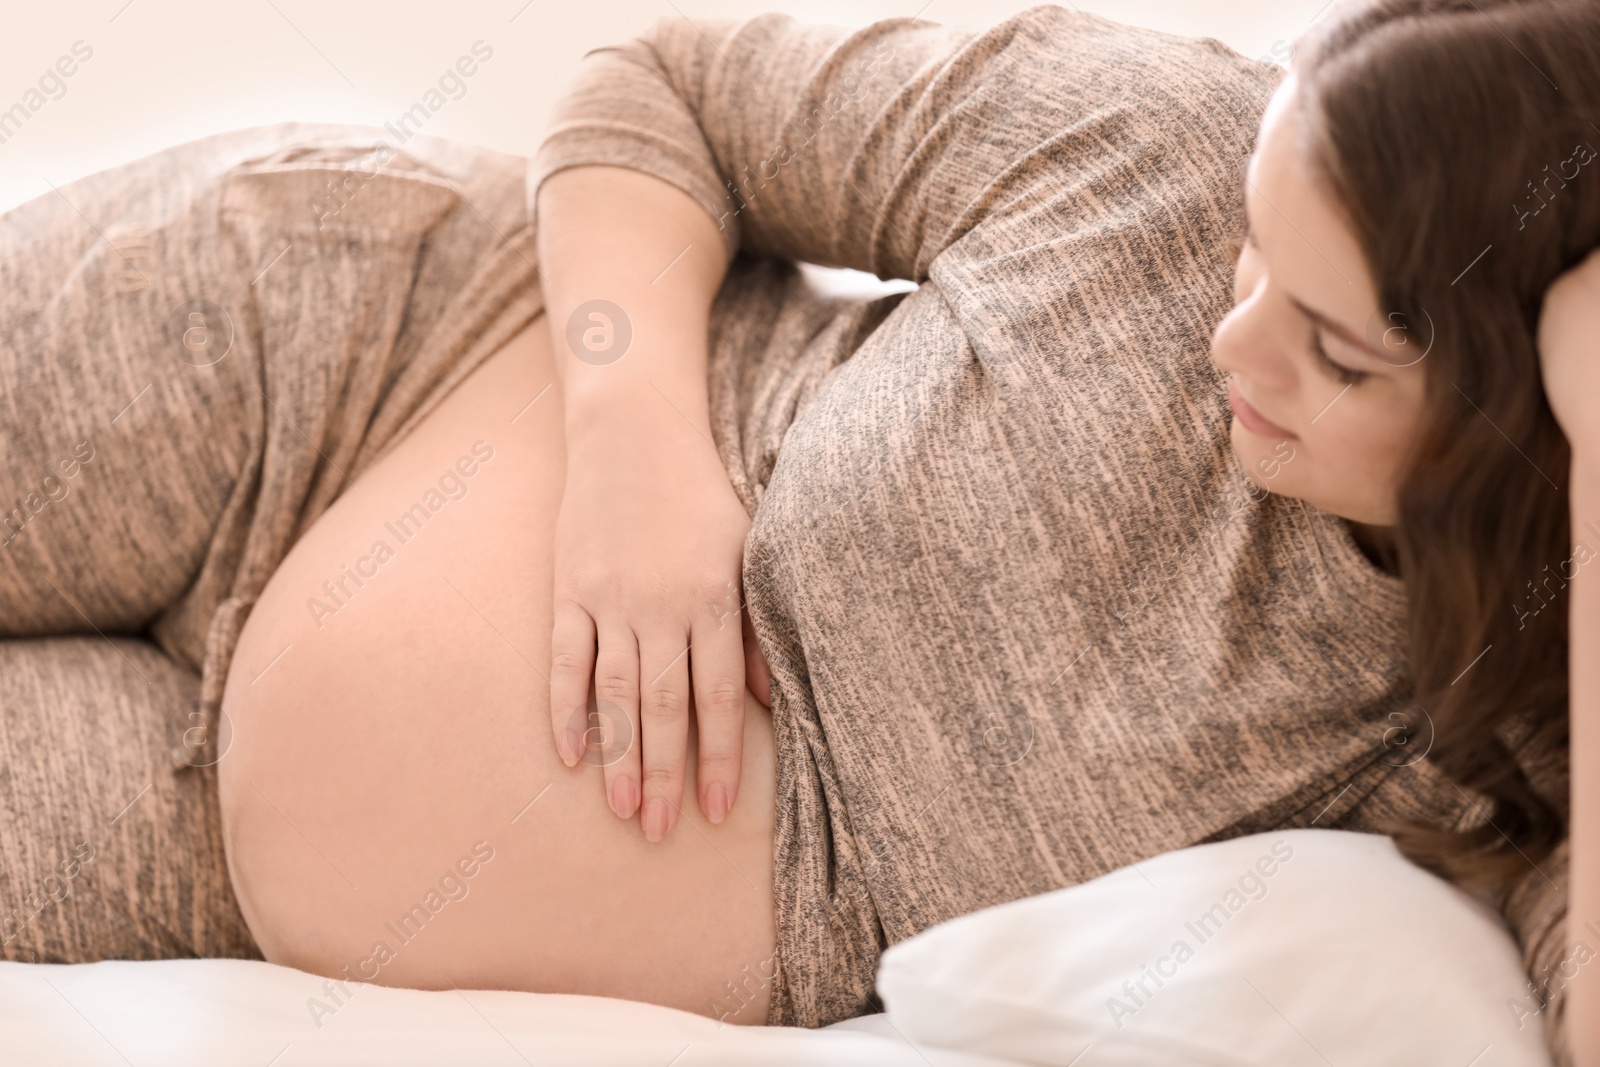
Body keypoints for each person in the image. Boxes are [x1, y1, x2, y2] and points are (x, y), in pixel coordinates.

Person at [0, 0, 1588, 1063]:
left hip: (195, 840)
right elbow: (661, 88)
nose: (1234, 346)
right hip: (345, 358)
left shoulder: (1515, 708)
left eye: (1338, 349)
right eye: (1254, 253)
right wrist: (639, 459)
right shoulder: (1150, 144)